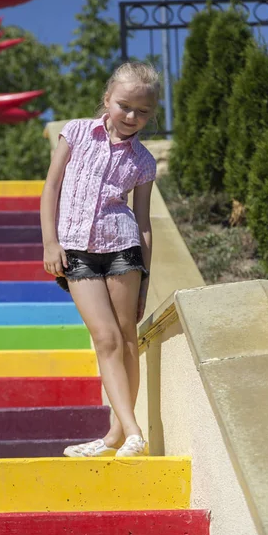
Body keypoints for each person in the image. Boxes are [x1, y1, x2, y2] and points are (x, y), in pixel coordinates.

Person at [40, 62, 160, 458]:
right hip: (76, 251)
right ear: (107, 99)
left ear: (151, 114)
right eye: (124, 106)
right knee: (105, 338)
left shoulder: (143, 161)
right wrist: (50, 243)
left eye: (142, 111)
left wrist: (144, 278)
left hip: (123, 249)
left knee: (127, 340)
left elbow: (142, 222)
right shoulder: (74, 132)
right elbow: (52, 187)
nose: (131, 117)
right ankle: (134, 430)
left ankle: (116, 438)